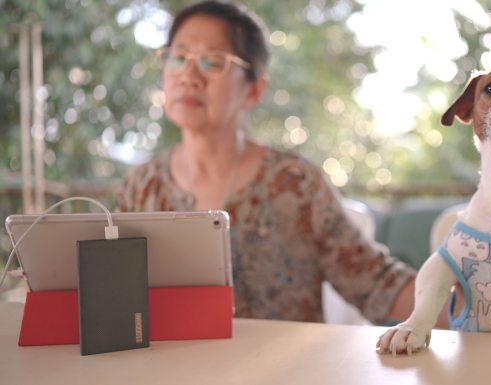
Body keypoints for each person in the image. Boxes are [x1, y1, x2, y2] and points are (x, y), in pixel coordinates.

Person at [117, 0, 426, 325]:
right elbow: (118, 298)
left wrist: (478, 310)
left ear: (254, 89)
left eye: (212, 61)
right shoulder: (141, 188)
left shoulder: (294, 182)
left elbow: (377, 281)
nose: (188, 76)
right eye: (178, 58)